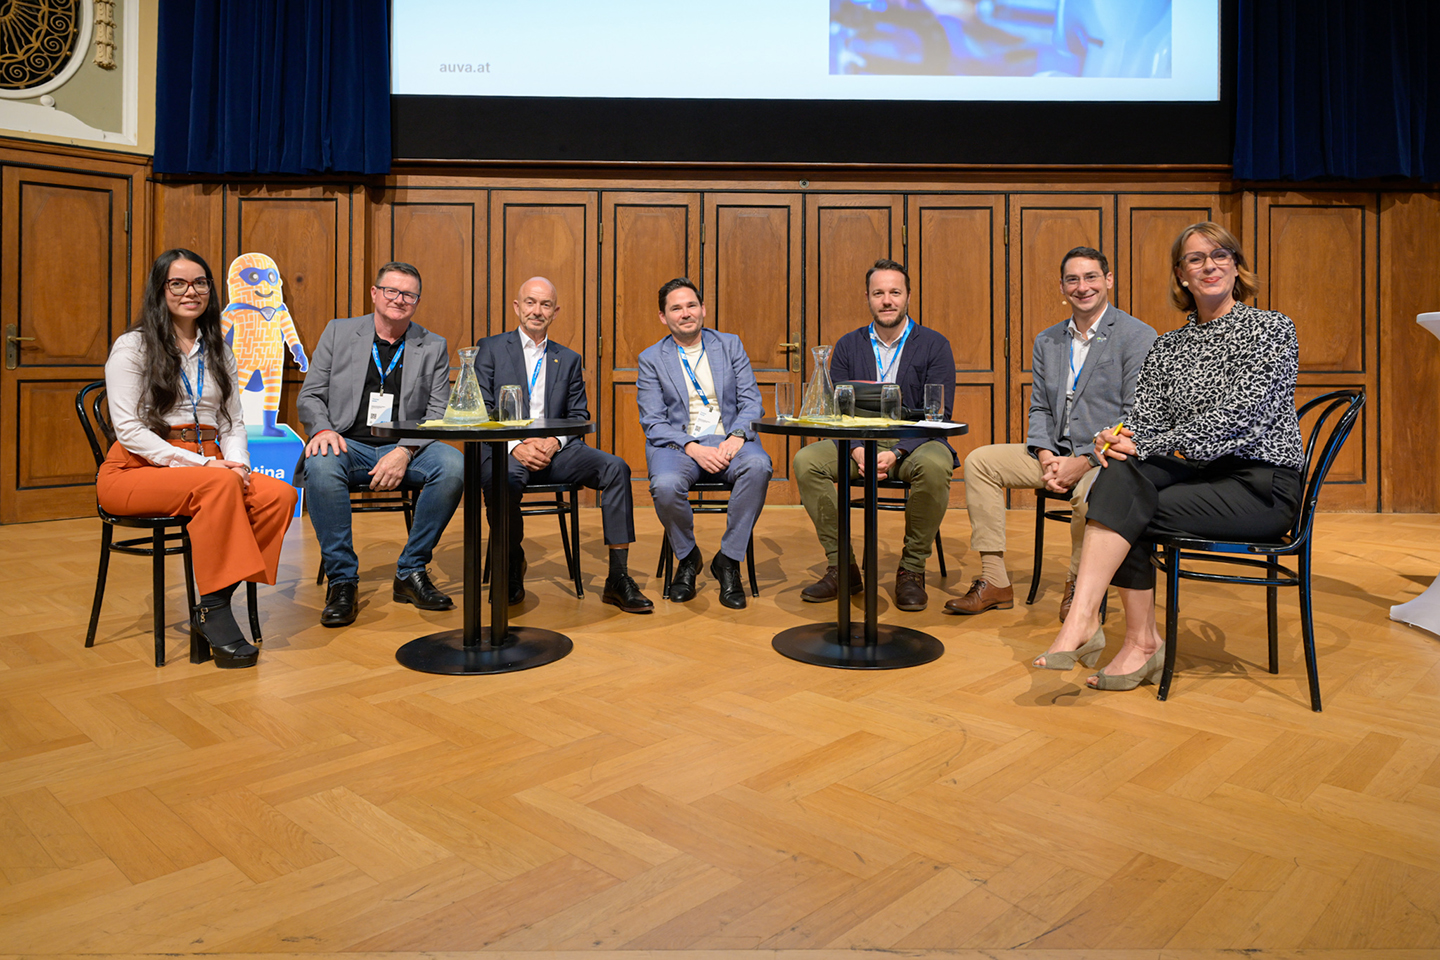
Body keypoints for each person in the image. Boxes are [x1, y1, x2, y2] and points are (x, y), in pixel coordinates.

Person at [1034, 222, 1304, 691]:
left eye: (1219, 255)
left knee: (1127, 504)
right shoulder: (1170, 345)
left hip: (1260, 485)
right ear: (1181, 274)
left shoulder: (1270, 329)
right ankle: (1103, 626)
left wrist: (1145, 443)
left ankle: (1118, 633)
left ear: (1236, 266)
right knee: (1119, 472)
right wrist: (1116, 437)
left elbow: (1236, 417)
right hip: (1200, 476)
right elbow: (1145, 419)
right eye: (1195, 259)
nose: (1209, 266)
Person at [98, 249, 297, 668]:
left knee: (278, 495)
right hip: (137, 467)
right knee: (219, 484)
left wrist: (238, 464)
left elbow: (233, 423)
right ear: (160, 290)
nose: (191, 292)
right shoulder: (133, 346)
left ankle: (211, 604)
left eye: (200, 282)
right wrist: (206, 466)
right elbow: (129, 431)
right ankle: (219, 616)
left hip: (211, 463)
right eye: (178, 283)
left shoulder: (219, 350)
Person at [949, 246, 1156, 619]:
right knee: (980, 462)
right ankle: (994, 581)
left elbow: (1134, 415)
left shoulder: (1136, 335)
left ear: (1108, 280)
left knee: (1092, 495)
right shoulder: (1048, 340)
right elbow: (1041, 408)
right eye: (1072, 280)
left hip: (1105, 458)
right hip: (1055, 453)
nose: (1082, 287)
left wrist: (1083, 461)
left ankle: (1080, 587)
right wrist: (1046, 456)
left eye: (1091, 277)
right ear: (1062, 287)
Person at [297, 262, 464, 627]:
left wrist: (404, 451)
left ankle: (411, 570)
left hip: (407, 445)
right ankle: (342, 580)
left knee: (453, 465)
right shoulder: (339, 332)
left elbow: (437, 411)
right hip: (347, 443)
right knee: (320, 463)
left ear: (417, 302)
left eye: (409, 295)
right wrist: (322, 430)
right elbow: (310, 396)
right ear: (375, 293)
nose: (399, 299)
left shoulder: (432, 345)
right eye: (391, 291)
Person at [476, 277, 653, 613]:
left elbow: (578, 415)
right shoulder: (491, 349)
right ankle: (512, 563)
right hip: (506, 448)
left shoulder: (568, 358)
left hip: (556, 452)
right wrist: (515, 444)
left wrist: (554, 442)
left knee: (616, 468)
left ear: (555, 312)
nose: (537, 311)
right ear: (517, 307)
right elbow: (481, 409)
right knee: (503, 478)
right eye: (530, 302)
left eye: (545, 305)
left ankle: (618, 577)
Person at [793, 258, 957, 612]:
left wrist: (896, 452)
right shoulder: (848, 345)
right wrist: (856, 449)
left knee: (935, 466)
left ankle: (912, 569)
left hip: (915, 444)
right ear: (867, 297)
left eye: (895, 292)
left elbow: (939, 415)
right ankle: (843, 566)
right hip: (857, 443)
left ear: (908, 296)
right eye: (878, 293)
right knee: (807, 461)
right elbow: (838, 411)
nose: (887, 300)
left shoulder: (934, 344)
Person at [637, 278, 773, 609]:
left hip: (729, 439)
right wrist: (692, 447)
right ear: (663, 317)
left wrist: (737, 436)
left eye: (691, 306)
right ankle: (687, 556)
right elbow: (653, 421)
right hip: (678, 445)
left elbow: (751, 402)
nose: (685, 313)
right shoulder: (651, 358)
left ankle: (728, 559)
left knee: (758, 466)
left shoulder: (729, 345)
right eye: (676, 308)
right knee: (665, 486)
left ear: (703, 310)